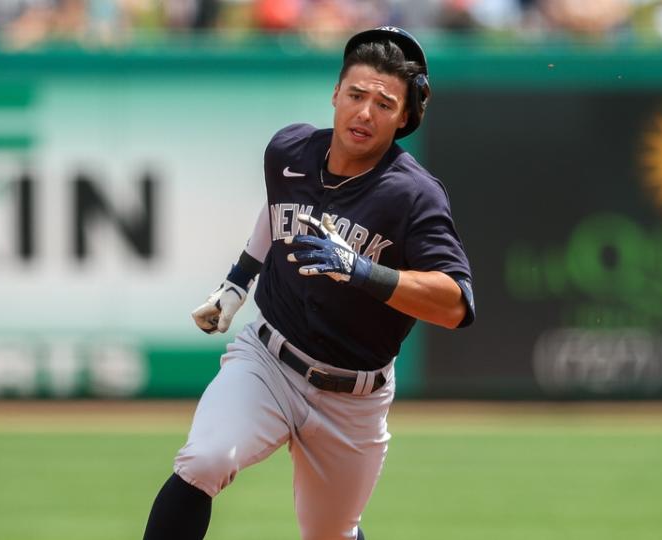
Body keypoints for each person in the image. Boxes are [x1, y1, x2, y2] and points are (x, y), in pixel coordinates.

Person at [141, 26, 475, 540]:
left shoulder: (413, 196)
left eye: (385, 103)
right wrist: (238, 283)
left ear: (405, 117)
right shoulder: (289, 151)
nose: (365, 112)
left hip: (354, 397)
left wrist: (366, 271)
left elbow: (454, 304)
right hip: (269, 360)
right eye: (356, 94)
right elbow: (277, 210)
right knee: (205, 459)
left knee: (331, 533)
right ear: (335, 94)